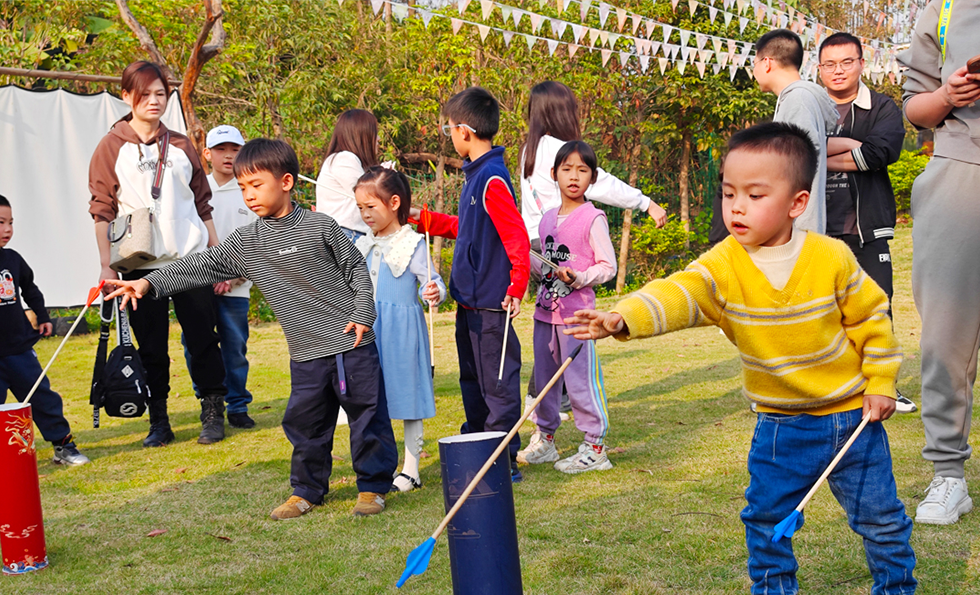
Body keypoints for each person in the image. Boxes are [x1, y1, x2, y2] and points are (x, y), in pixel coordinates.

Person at [566, 122, 916, 594]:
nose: (736, 207)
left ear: (797, 203)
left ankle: (897, 589)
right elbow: (681, 291)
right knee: (766, 524)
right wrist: (623, 316)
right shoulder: (724, 263)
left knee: (882, 520)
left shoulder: (831, 257)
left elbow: (872, 322)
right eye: (729, 193)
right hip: (779, 429)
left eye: (755, 195)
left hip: (852, 421)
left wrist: (881, 382)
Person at [105, 138, 398, 518]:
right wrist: (148, 282)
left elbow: (356, 269)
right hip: (305, 353)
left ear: (286, 182)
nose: (249, 195)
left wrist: (362, 313)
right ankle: (307, 491)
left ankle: (373, 487)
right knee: (305, 424)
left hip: (351, 344)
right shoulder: (248, 241)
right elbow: (200, 265)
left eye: (257, 185)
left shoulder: (320, 226)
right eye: (243, 187)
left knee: (366, 417)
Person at [88, 61, 227, 447]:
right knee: (151, 346)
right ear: (126, 96)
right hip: (140, 266)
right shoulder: (111, 147)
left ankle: (213, 411)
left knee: (203, 339)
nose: (154, 101)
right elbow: (102, 210)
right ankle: (159, 420)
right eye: (145, 94)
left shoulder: (181, 144)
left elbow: (202, 203)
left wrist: (216, 252)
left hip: (190, 261)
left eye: (161, 94)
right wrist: (105, 265)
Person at [519, 81, 667, 412]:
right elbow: (602, 183)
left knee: (553, 322)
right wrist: (645, 203)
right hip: (559, 243)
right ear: (561, 112)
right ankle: (559, 398)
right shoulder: (558, 150)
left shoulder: (529, 149)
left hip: (534, 246)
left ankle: (545, 398)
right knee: (575, 323)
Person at [413, 87, 531, 482]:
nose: (450, 136)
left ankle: (502, 458)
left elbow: (516, 237)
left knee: (497, 385)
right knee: (472, 382)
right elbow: (469, 228)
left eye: (449, 130)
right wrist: (425, 220)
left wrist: (516, 286)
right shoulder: (475, 175)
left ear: (464, 131)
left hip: (492, 306)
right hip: (469, 304)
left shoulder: (492, 179)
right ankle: (480, 446)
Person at [900, 0, 980, 525]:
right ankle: (948, 474)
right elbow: (914, 109)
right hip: (959, 170)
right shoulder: (945, 8)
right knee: (946, 336)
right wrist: (949, 95)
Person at [818, 32, 916, 414]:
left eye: (847, 62)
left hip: (867, 227)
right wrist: (850, 147)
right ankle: (822, 389)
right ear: (819, 69)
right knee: (818, 311)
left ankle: (884, 387)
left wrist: (819, 157)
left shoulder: (881, 106)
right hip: (816, 229)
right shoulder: (809, 103)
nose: (838, 70)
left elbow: (879, 153)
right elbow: (792, 151)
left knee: (877, 306)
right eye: (830, 64)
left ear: (861, 64)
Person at [517, 141, 616, 474]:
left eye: (582, 170)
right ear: (554, 174)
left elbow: (608, 266)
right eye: (567, 169)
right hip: (544, 314)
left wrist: (580, 277)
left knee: (580, 382)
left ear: (593, 177)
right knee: (544, 381)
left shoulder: (593, 218)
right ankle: (545, 440)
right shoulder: (547, 220)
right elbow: (544, 265)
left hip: (578, 318)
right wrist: (524, 258)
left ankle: (596, 447)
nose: (574, 177)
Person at [354, 166, 446, 492]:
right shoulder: (361, 243)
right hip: (368, 329)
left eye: (371, 206)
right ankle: (375, 462)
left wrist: (433, 291)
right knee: (369, 398)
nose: (365, 214)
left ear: (394, 203)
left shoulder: (412, 243)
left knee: (407, 396)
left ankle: (411, 468)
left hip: (402, 332)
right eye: (360, 207)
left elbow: (432, 281)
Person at [0, 195, 90, 466]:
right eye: (1, 222)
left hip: (19, 350)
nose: (7, 229)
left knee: (43, 398)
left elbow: (30, 289)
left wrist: (42, 316)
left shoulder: (13, 259)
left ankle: (64, 446)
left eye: (11, 223)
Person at [182, 125, 258, 429]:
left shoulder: (250, 191)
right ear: (206, 154)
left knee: (234, 349)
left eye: (235, 150)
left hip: (236, 287)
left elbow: (257, 242)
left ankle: (237, 405)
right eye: (221, 149)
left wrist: (234, 276)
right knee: (195, 346)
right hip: (197, 285)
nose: (228, 156)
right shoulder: (194, 191)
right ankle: (208, 400)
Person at [753, 29, 837, 234]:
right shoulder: (796, 98)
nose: (754, 71)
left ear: (767, 63)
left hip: (798, 230)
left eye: (754, 63)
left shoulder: (798, 99)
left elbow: (795, 165)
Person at [315, 109, 380, 243]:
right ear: (362, 135)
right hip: (347, 235)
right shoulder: (345, 159)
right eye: (375, 133)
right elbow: (369, 196)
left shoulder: (343, 160)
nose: (378, 139)